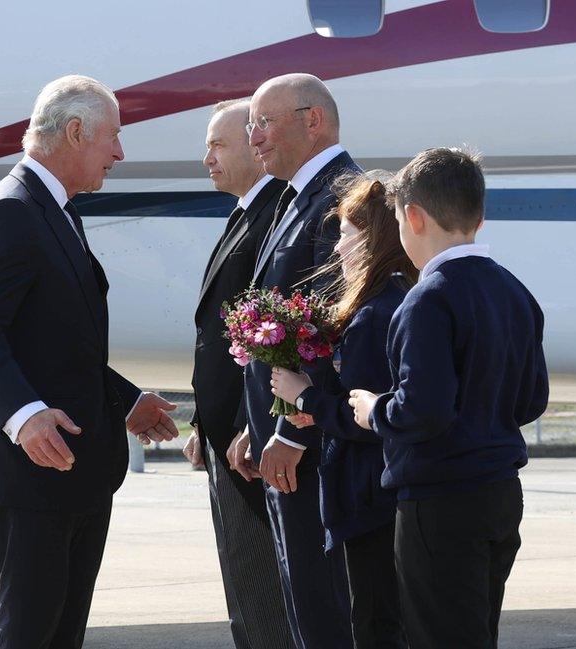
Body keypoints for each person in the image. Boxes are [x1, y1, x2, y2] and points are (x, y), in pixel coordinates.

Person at [0, 74, 179, 649]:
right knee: (33, 629)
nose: (120, 153)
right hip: (32, 469)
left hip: (71, 467)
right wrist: (24, 415)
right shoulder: (13, 210)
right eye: (114, 137)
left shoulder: (57, 208)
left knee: (62, 631)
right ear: (75, 132)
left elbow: (57, 338)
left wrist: (127, 401)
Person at [349, 148, 549, 649]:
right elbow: (532, 400)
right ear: (479, 216)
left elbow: (423, 409)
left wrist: (375, 410)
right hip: (500, 493)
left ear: (412, 217)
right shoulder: (514, 291)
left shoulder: (428, 297)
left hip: (440, 502)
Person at [236, 72, 357, 648]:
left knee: (326, 604)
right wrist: (250, 421)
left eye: (263, 121)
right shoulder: (296, 198)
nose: (252, 137)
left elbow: (333, 332)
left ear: (313, 120)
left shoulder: (342, 198)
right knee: (303, 599)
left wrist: (292, 427)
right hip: (285, 445)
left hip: (314, 450)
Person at [271, 172, 415, 648]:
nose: (337, 251)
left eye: (347, 237)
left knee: (377, 624)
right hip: (383, 497)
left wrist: (304, 397)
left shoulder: (375, 313)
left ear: (372, 240)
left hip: (372, 499)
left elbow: (371, 420)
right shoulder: (393, 301)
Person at [182, 98, 293, 649]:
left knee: (266, 591)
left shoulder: (275, 217)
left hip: (250, 445)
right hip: (228, 438)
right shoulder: (247, 214)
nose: (206, 158)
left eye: (218, 144)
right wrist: (205, 423)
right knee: (247, 592)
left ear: (255, 144)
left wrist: (259, 422)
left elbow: (275, 334)